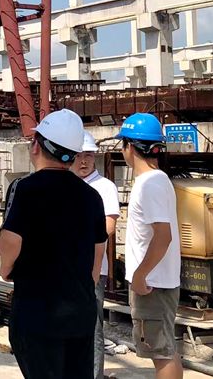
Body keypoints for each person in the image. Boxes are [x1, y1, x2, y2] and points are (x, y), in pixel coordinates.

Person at [0, 110, 108, 379]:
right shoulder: (92, 196)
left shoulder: (24, 189)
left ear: (36, 145)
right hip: (80, 313)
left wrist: (6, 269)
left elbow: (11, 239)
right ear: (73, 155)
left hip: (38, 312)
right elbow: (98, 253)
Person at [118, 113, 183, 378]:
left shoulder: (150, 184)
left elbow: (163, 236)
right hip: (158, 281)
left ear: (129, 147)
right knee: (165, 350)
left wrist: (140, 274)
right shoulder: (158, 180)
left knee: (160, 353)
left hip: (152, 284)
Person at [73, 131, 120, 379]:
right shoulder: (67, 184)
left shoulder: (104, 187)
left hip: (93, 269)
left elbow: (108, 227)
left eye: (88, 155)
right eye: (78, 155)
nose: (83, 161)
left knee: (92, 327)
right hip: (67, 269)